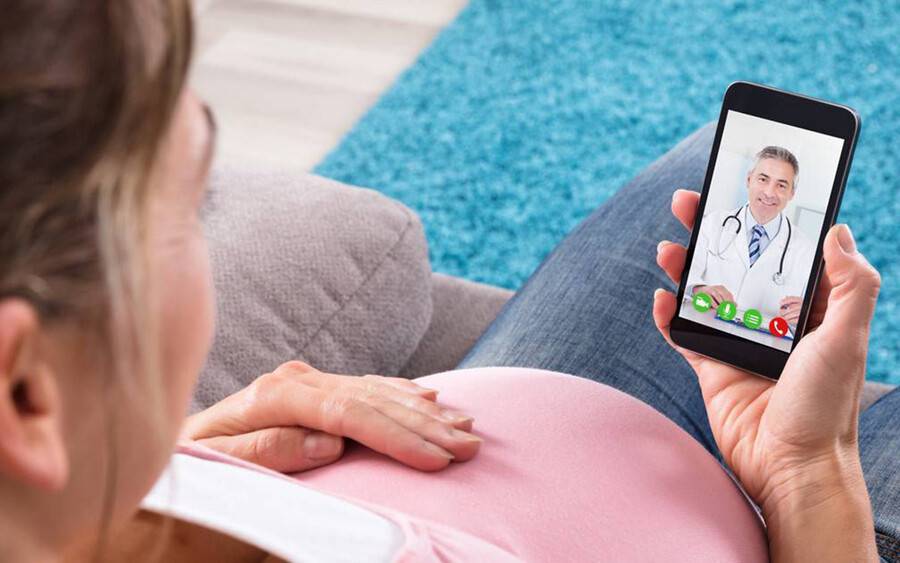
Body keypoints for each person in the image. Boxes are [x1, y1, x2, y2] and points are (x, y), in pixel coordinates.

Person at [1, 1, 898, 562]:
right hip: (787, 513)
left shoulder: (71, 492)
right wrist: (807, 471)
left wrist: (163, 463)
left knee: (717, 160)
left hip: (516, 422)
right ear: (28, 391)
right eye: (190, 205)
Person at [686, 146, 814, 328]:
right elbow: (687, 275)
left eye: (781, 185)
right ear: (748, 180)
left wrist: (805, 312)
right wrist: (699, 288)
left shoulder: (806, 250)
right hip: (702, 330)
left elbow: (810, 312)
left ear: (791, 193)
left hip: (763, 348)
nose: (769, 193)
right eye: (763, 179)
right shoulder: (713, 223)